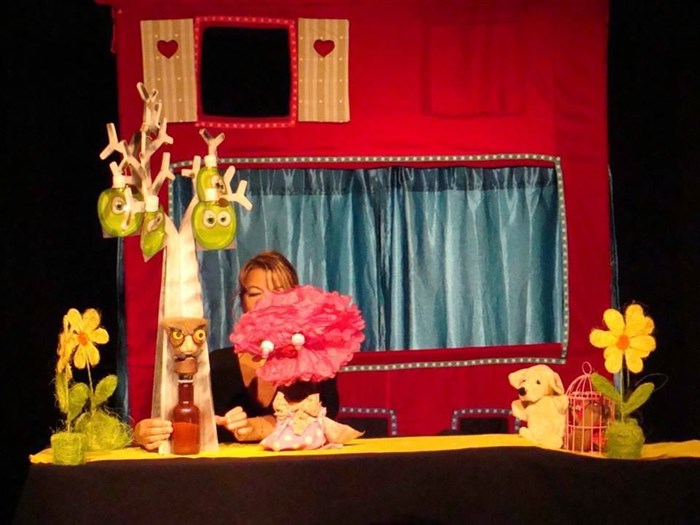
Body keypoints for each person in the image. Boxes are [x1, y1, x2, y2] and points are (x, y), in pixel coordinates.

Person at [133, 250, 340, 450]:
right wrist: (145, 433)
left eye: (278, 292)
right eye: (254, 293)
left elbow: (324, 422)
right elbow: (181, 421)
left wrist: (257, 427)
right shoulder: (216, 365)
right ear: (242, 301)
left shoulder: (316, 364)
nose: (265, 302)